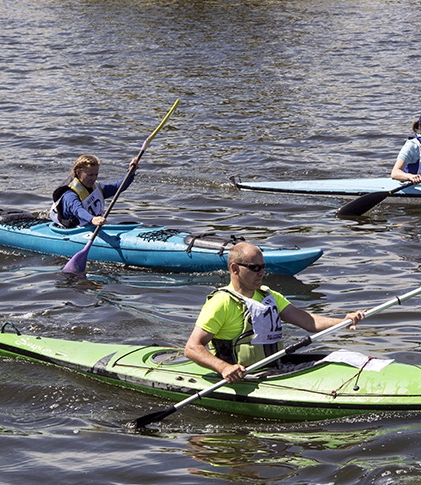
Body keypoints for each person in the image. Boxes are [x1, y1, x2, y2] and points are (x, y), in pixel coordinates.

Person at [184, 242, 366, 383]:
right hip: (245, 376)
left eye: (263, 267)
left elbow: (309, 321)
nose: (262, 272)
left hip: (275, 368)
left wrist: (344, 321)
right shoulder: (221, 302)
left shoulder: (269, 296)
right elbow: (192, 348)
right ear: (235, 269)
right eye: (255, 268)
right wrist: (223, 368)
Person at [49, 154, 139, 228]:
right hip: (70, 230)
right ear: (78, 172)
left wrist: (131, 172)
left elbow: (118, 187)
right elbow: (78, 210)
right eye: (90, 175)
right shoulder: (69, 195)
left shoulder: (96, 187)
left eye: (96, 174)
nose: (94, 178)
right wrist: (93, 219)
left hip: (90, 227)